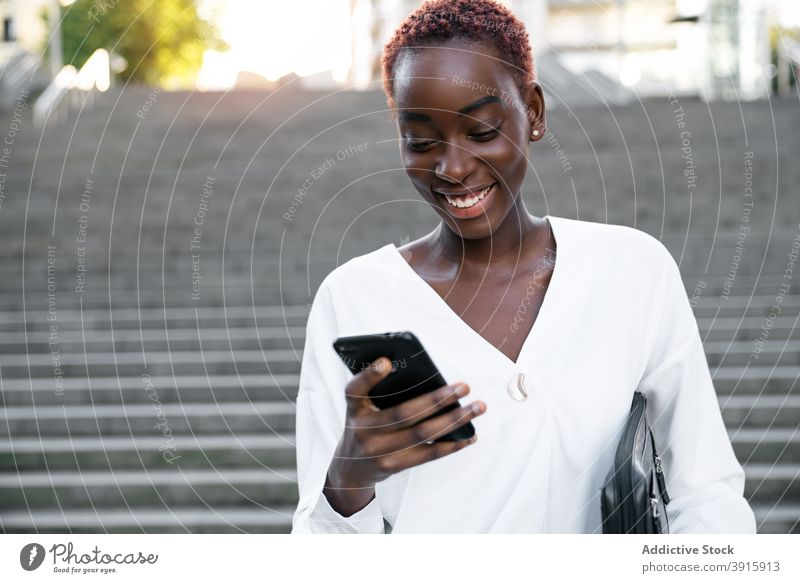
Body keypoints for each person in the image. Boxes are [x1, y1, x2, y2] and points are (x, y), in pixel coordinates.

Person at [291, 0, 756, 534]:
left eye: (483, 130)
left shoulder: (633, 272)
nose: (453, 167)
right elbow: (317, 543)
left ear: (533, 112)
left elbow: (707, 493)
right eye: (421, 141)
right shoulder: (354, 298)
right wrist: (347, 482)